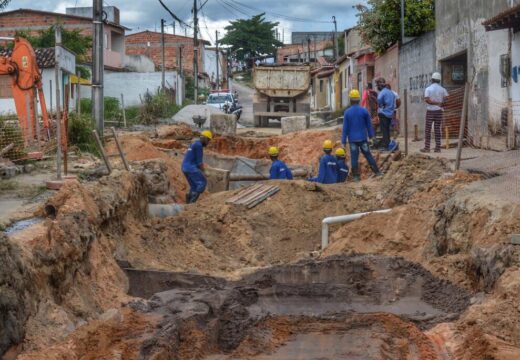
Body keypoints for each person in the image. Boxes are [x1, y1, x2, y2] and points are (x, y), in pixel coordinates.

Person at [342, 89, 382, 182]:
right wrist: (372, 137)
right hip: (363, 139)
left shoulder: (347, 112)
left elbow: (345, 129)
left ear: (350, 100)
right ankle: (377, 172)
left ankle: (356, 177)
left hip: (352, 140)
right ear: (359, 100)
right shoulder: (364, 111)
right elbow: (369, 126)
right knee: (368, 155)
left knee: (354, 158)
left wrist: (343, 142)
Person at [181, 130, 213, 204]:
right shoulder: (199, 146)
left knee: (194, 186)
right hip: (191, 168)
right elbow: (199, 163)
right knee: (202, 182)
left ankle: (188, 201)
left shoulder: (194, 143)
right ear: (204, 138)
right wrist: (204, 172)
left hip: (184, 167)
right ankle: (192, 203)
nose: (208, 142)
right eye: (208, 140)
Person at [422, 72, 449, 153]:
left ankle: (427, 148)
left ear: (432, 80)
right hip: (439, 111)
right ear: (439, 80)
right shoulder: (443, 89)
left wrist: (435, 103)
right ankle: (437, 148)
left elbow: (427, 100)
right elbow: (447, 98)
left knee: (428, 130)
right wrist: (441, 103)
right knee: (437, 129)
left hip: (430, 111)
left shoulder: (428, 89)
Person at [376, 78, 396, 150]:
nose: (377, 87)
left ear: (380, 86)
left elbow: (379, 101)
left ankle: (386, 145)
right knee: (387, 129)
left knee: (384, 130)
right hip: (390, 113)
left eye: (377, 85)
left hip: (383, 113)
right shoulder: (391, 92)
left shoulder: (382, 93)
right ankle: (387, 142)